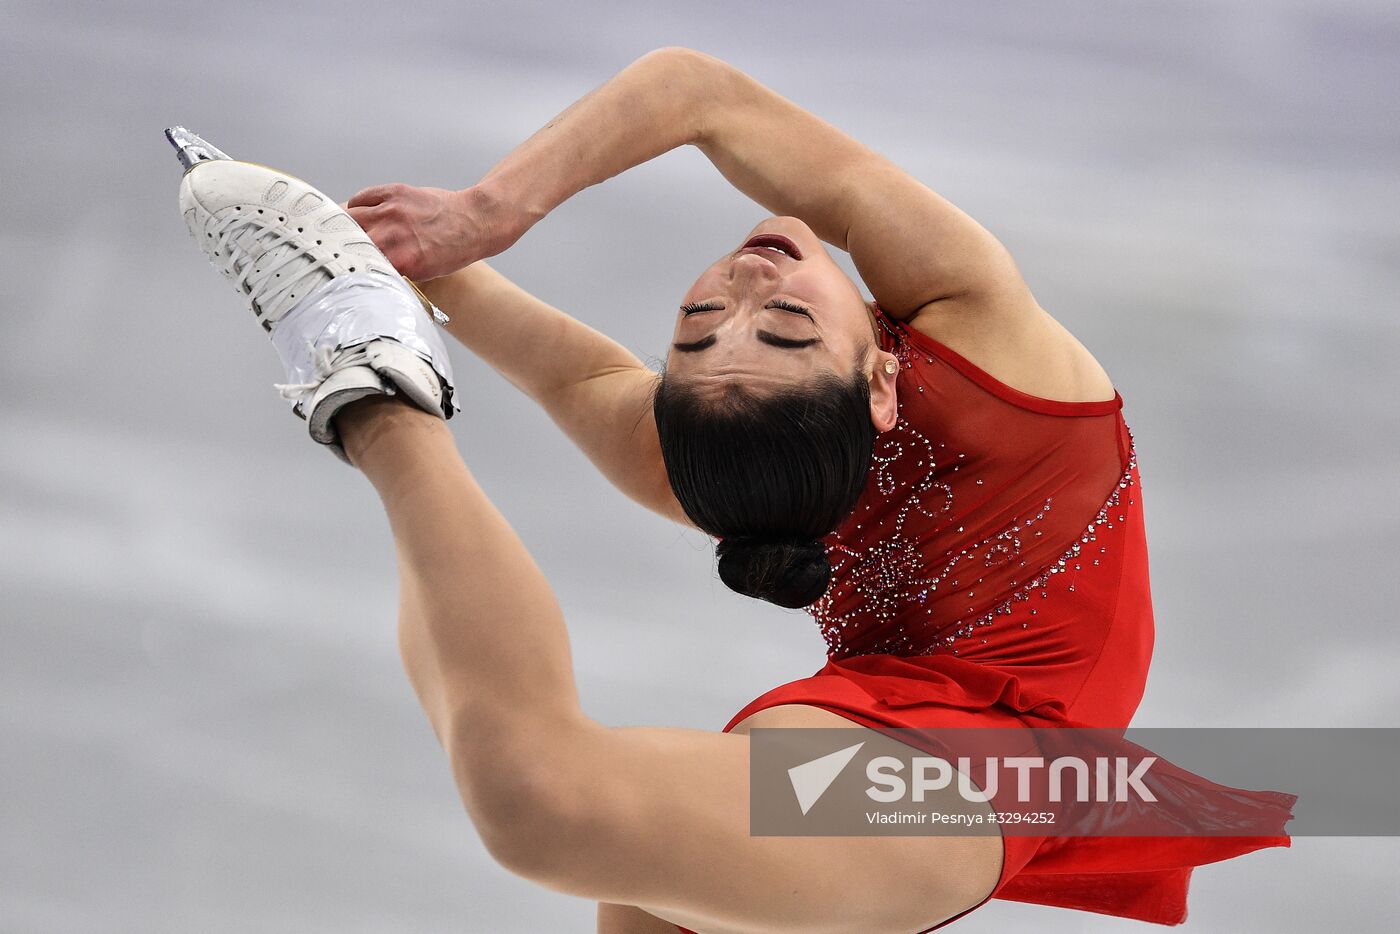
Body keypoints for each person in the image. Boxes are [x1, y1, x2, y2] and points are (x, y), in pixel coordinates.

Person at [168, 46, 1290, 934]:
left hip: (953, 757)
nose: (743, 285)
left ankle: (370, 386)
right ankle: (370, 370)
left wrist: (478, 222)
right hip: (971, 774)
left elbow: (696, 95)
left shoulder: (977, 333)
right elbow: (586, 375)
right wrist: (413, 270)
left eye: (745, 322)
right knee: (544, 804)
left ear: (886, 381)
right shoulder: (725, 455)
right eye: (713, 327)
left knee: (538, 800)